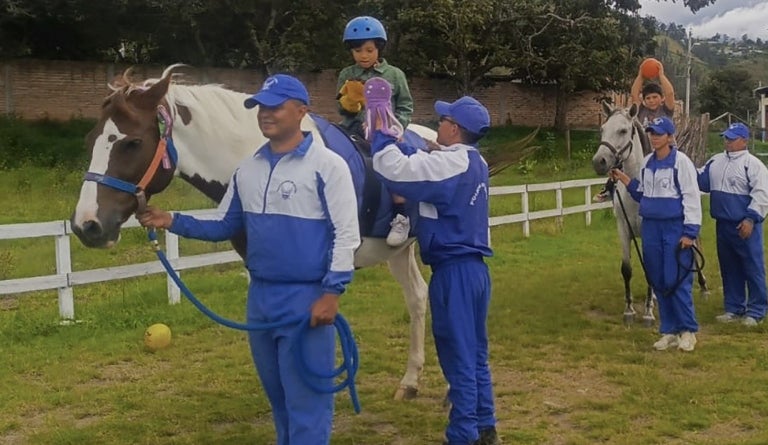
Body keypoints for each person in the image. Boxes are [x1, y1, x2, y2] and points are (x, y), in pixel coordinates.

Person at [137, 74, 361, 445]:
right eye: (260, 107)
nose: (264, 114)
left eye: (275, 106)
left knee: (307, 403)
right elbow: (225, 224)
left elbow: (346, 235)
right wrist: (171, 220)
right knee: (280, 401)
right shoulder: (249, 168)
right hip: (261, 298)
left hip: (306, 298)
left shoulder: (328, 166)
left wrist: (332, 292)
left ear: (302, 111)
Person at [370, 96, 499, 445]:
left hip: (452, 273)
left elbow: (392, 169)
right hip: (475, 272)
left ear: (454, 129)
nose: (438, 123)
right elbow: (445, 166)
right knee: (474, 353)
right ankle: (486, 426)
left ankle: (462, 434)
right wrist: (433, 150)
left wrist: (381, 133)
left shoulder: (449, 165)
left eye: (443, 120)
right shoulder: (476, 162)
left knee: (456, 356)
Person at [610, 116, 701, 352]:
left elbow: (691, 198)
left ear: (670, 137)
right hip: (651, 227)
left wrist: (690, 232)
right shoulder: (648, 163)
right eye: (651, 133)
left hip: (673, 227)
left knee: (677, 278)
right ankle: (669, 330)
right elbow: (642, 193)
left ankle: (688, 330)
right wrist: (623, 179)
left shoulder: (681, 163)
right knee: (659, 279)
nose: (653, 137)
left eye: (658, 133)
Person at [337, 15, 414, 247]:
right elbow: (341, 107)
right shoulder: (346, 75)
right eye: (358, 50)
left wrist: (393, 127)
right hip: (353, 132)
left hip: (385, 134)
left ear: (378, 48)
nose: (363, 55)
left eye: (369, 49)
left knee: (393, 167)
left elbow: (405, 106)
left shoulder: (394, 75)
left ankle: (401, 216)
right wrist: (349, 107)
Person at [697, 122, 768, 326]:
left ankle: (757, 310)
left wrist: (751, 219)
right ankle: (734, 307)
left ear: (744, 140)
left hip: (745, 225)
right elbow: (700, 180)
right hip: (723, 224)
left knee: (752, 267)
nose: (727, 142)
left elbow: (762, 194)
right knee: (729, 267)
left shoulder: (753, 164)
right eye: (726, 138)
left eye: (732, 138)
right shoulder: (715, 161)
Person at [594, 59, 677, 202]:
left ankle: (678, 191)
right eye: (648, 98)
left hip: (666, 149)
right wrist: (641, 75)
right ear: (644, 100)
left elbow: (670, 94)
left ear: (661, 99)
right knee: (620, 162)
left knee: (676, 167)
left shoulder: (666, 110)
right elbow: (634, 94)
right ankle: (609, 188)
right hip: (644, 149)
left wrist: (661, 75)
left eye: (655, 97)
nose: (651, 100)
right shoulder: (640, 111)